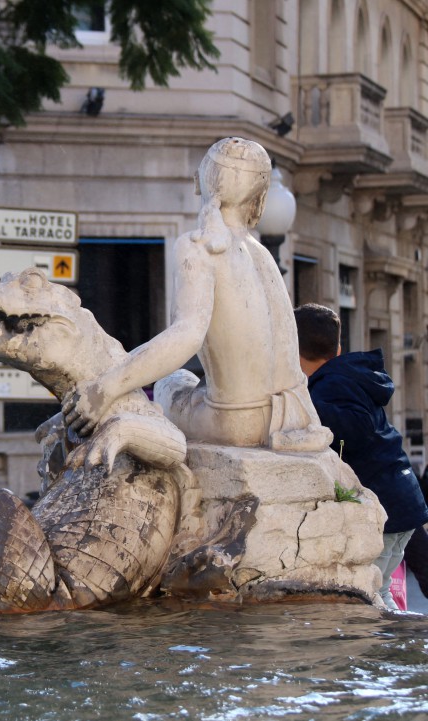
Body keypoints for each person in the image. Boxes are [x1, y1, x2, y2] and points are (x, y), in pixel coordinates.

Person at [63, 137, 330, 452]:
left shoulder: (198, 246)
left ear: (202, 181)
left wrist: (105, 388)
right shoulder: (264, 254)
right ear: (259, 193)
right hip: (291, 418)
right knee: (188, 383)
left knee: (168, 384)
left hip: (236, 424)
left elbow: (186, 336)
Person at [293, 303, 428, 609]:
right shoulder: (350, 377)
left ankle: (393, 651)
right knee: (376, 595)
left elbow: (357, 427)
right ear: (338, 347)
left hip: (384, 512)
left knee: (365, 599)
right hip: (401, 502)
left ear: (290, 347)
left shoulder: (327, 388)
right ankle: (394, 648)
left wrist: (308, 408)